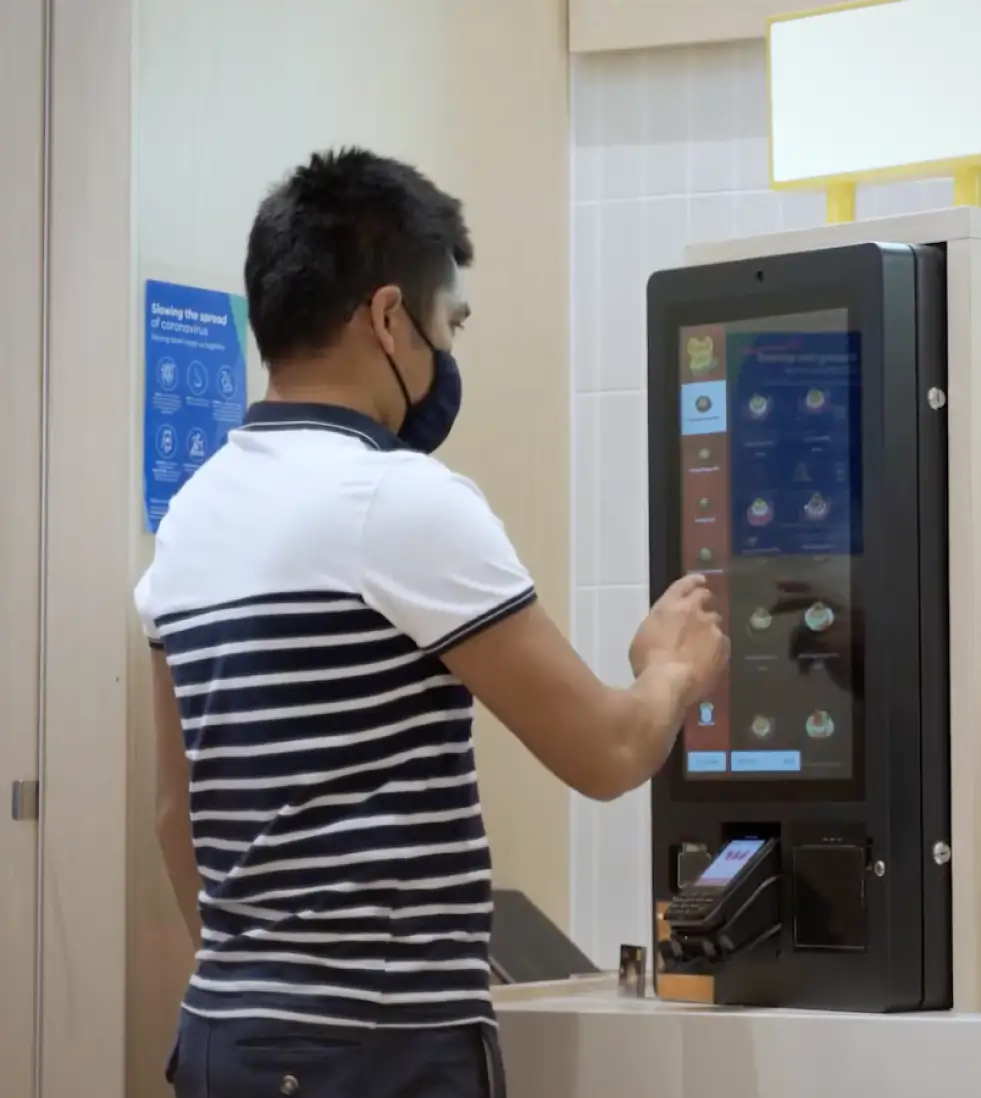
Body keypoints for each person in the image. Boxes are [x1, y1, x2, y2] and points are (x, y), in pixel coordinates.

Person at [134, 148, 730, 1098]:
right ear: (386, 317)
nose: (449, 353)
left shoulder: (191, 518)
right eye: (449, 323)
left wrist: (268, 980)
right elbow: (607, 754)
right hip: (378, 1047)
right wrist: (672, 669)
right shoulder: (400, 502)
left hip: (223, 1035)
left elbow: (179, 816)